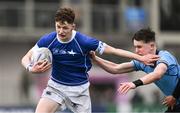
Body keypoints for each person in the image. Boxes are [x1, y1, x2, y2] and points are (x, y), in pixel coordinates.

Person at [21, 7, 158, 113]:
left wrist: (141, 58)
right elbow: (25, 57)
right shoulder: (48, 39)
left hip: (79, 90)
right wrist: (30, 68)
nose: (61, 31)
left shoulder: (84, 41)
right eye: (58, 27)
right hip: (56, 87)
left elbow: (115, 50)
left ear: (73, 27)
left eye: (65, 28)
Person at [92, 28, 180, 112]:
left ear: (152, 46)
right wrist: (96, 59)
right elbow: (116, 68)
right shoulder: (142, 62)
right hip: (175, 102)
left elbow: (157, 74)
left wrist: (134, 83)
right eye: (135, 47)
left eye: (139, 47)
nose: (136, 51)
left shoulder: (164, 57)